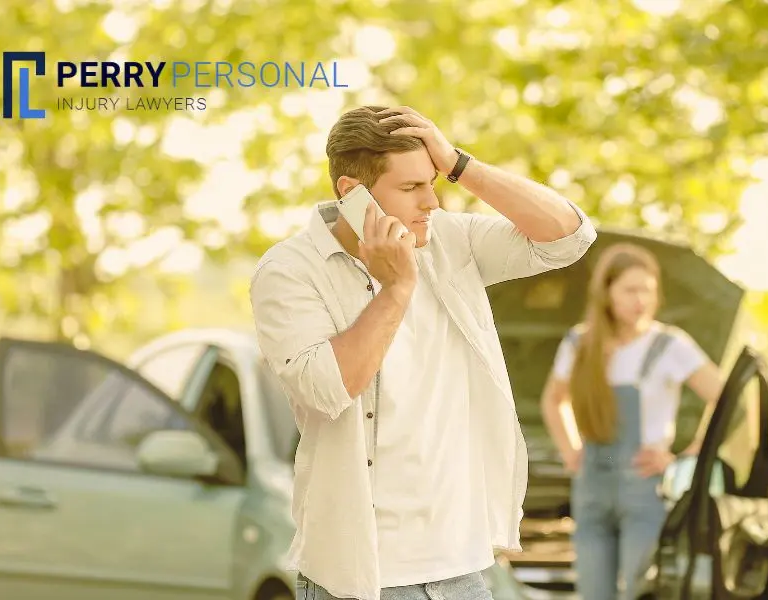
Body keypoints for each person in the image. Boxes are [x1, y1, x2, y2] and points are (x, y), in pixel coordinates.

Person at [250, 105, 596, 600]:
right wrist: (395, 289)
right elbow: (327, 390)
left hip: (465, 570)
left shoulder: (450, 239)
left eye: (434, 182)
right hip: (363, 578)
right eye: (412, 188)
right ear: (352, 193)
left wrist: (458, 163)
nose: (432, 201)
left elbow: (570, 236)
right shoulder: (288, 271)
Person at [539, 243, 724, 600]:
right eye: (630, 290)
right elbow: (553, 399)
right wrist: (571, 450)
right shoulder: (580, 343)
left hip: (645, 490)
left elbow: (726, 399)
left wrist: (686, 457)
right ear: (607, 293)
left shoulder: (669, 345)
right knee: (594, 593)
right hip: (592, 485)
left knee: (641, 592)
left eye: (648, 291)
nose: (641, 300)